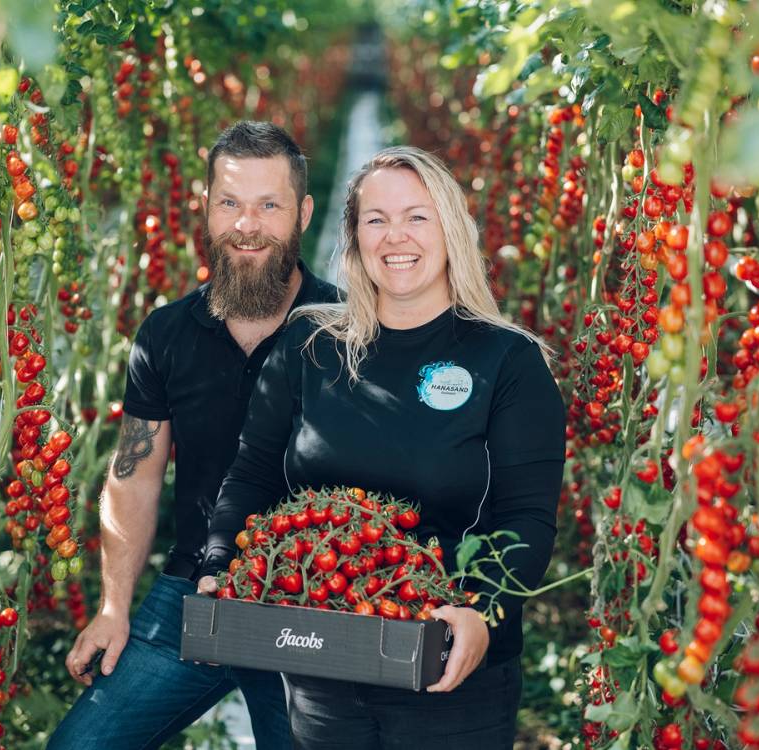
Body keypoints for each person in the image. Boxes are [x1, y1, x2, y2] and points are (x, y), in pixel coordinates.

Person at [196, 146, 565, 749]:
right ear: (354, 237)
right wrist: (218, 567)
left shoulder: (508, 362)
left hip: (449, 671)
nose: (396, 236)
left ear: (451, 228)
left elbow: (528, 518)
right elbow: (252, 475)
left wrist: (483, 612)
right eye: (376, 219)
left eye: (417, 216)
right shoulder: (309, 348)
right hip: (323, 666)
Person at [47, 121, 338, 750]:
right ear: (205, 206)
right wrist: (114, 608)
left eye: (269, 205)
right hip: (191, 592)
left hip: (310, 600)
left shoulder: (346, 333)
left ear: (304, 212)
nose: (247, 225)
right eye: (230, 202)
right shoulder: (166, 335)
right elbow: (133, 477)